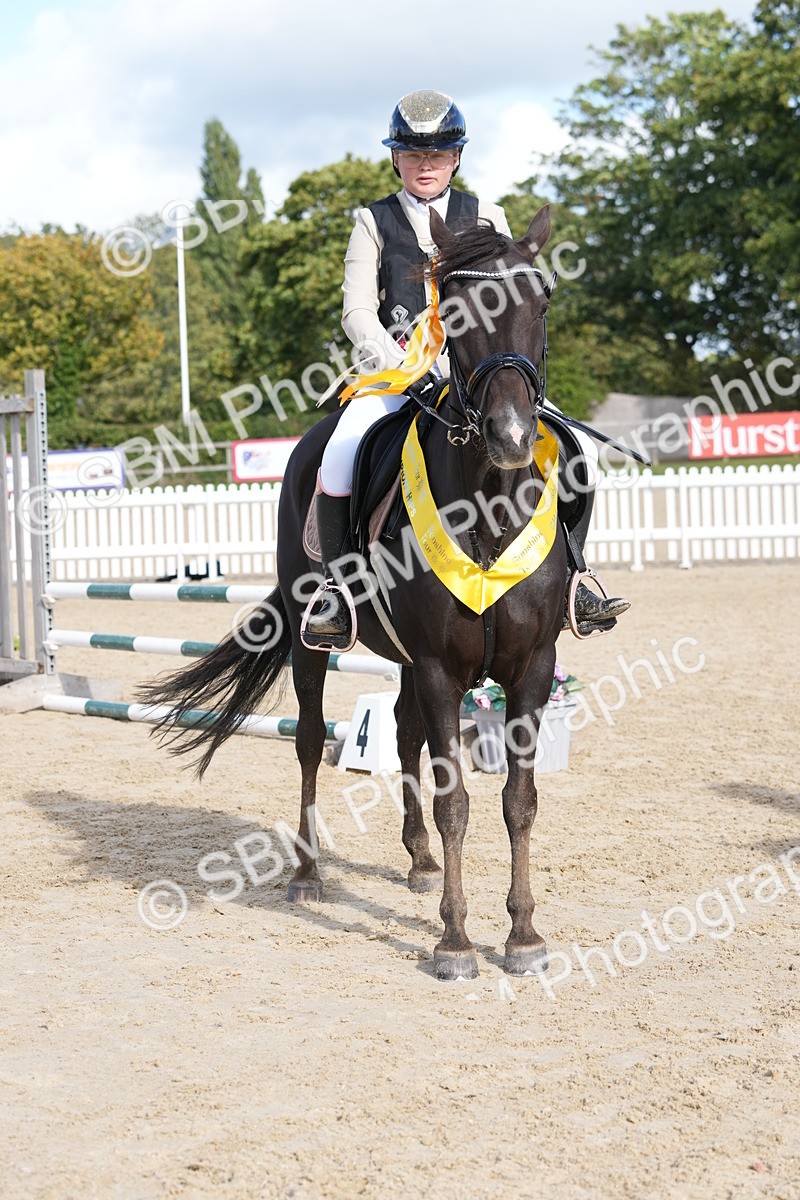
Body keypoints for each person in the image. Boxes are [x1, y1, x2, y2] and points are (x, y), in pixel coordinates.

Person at [303, 90, 629, 650]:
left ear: (456, 158)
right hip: (399, 375)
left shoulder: (486, 216)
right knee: (339, 454)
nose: (425, 165)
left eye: (437, 154)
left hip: (479, 375)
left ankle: (575, 576)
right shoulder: (373, 221)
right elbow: (357, 308)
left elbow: (508, 298)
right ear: (396, 159)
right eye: (412, 154)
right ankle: (337, 590)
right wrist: (399, 362)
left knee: (584, 451)